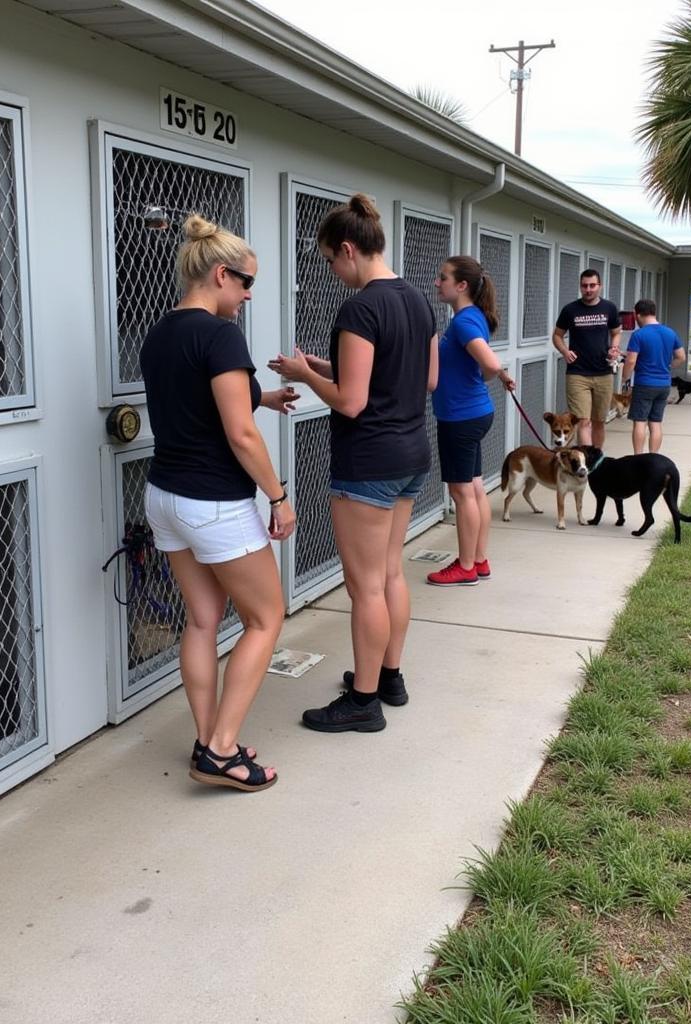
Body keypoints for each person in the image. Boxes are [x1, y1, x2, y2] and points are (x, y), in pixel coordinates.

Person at [140, 213, 297, 793]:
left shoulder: (161, 332)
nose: (251, 295)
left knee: (202, 620)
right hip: (215, 502)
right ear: (222, 275)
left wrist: (263, 393)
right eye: (247, 283)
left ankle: (209, 741)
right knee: (266, 616)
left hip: (166, 497)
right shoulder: (221, 334)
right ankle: (223, 749)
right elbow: (240, 434)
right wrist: (278, 496)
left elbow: (199, 396)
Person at [269, 193, 438, 731]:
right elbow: (423, 377)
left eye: (328, 261)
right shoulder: (415, 299)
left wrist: (304, 375)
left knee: (364, 585)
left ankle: (363, 702)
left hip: (369, 462)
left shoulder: (360, 307)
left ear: (348, 249)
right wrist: (326, 364)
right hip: (412, 454)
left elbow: (350, 400)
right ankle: (389, 676)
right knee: (390, 573)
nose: (332, 272)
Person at [426, 256, 515, 587]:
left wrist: (492, 373)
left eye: (443, 277)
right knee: (475, 488)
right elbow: (484, 361)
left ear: (461, 286)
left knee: (462, 493)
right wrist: (499, 374)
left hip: (460, 418)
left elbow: (487, 362)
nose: (438, 283)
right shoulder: (471, 316)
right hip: (473, 414)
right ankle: (478, 560)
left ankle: (465, 566)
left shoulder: (463, 322)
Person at [553, 269, 621, 448]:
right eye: (585, 286)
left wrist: (614, 348)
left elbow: (616, 332)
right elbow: (557, 335)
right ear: (580, 287)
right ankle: (587, 463)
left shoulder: (609, 308)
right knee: (583, 421)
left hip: (603, 373)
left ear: (600, 286)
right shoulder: (570, 310)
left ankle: (596, 461)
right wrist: (565, 351)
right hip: (577, 373)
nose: (588, 289)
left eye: (592, 285)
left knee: (599, 421)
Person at [621, 298, 686, 454]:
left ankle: (638, 457)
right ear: (654, 312)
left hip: (644, 384)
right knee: (656, 423)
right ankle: (653, 457)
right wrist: (668, 366)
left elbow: (631, 361)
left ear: (637, 315)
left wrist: (625, 378)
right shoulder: (670, 332)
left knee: (640, 422)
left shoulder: (639, 335)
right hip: (663, 384)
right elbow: (681, 357)